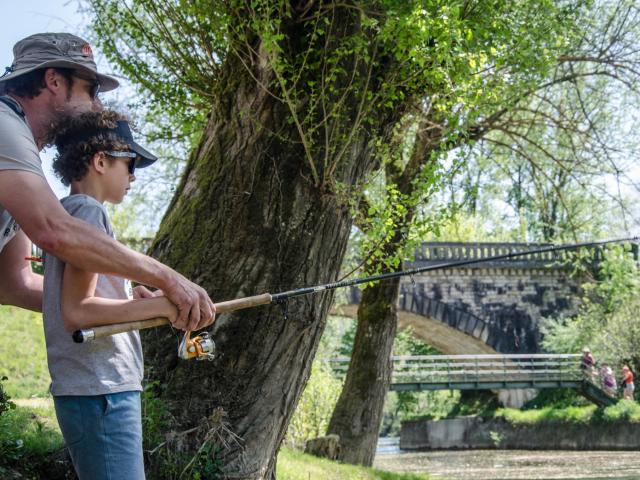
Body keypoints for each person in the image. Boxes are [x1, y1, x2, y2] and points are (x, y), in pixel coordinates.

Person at [0, 32, 214, 330]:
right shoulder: (3, 125)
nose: (98, 106)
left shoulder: (18, 156)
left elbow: (14, 284)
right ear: (54, 81)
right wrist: (168, 277)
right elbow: (54, 232)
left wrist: (121, 301)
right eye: (92, 90)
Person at [44, 110, 178, 479]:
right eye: (129, 164)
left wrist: (133, 302)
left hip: (93, 389)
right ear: (100, 161)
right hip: (101, 391)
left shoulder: (67, 213)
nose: (133, 176)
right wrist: (162, 305)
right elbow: (79, 312)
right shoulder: (88, 213)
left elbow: (82, 300)